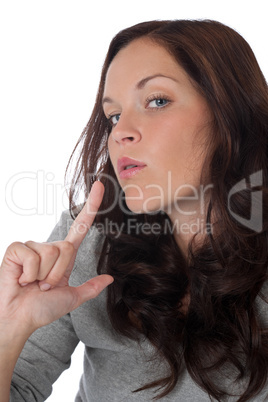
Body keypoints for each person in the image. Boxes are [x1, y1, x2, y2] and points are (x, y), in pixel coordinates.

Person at [1, 19, 268, 402]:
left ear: (233, 112)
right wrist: (9, 331)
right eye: (113, 115)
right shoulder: (87, 239)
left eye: (157, 101)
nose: (120, 131)